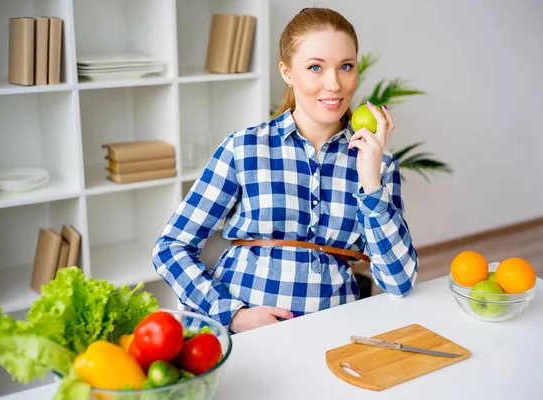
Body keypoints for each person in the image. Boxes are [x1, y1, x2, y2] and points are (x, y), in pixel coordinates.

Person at [152, 7, 418, 334]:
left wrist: (371, 181)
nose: (333, 84)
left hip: (333, 334)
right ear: (287, 72)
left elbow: (399, 281)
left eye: (345, 66)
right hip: (243, 332)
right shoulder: (244, 148)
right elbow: (170, 248)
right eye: (315, 68)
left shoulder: (378, 163)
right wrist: (231, 314)